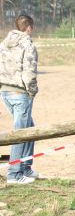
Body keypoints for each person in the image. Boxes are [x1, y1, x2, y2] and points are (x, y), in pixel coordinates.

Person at [0, 14, 39, 185]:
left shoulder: (3, 44)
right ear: (29, 27)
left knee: (30, 128)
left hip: (5, 92)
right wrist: (32, 92)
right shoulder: (28, 45)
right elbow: (29, 72)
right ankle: (14, 174)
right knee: (21, 133)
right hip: (20, 93)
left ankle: (26, 167)